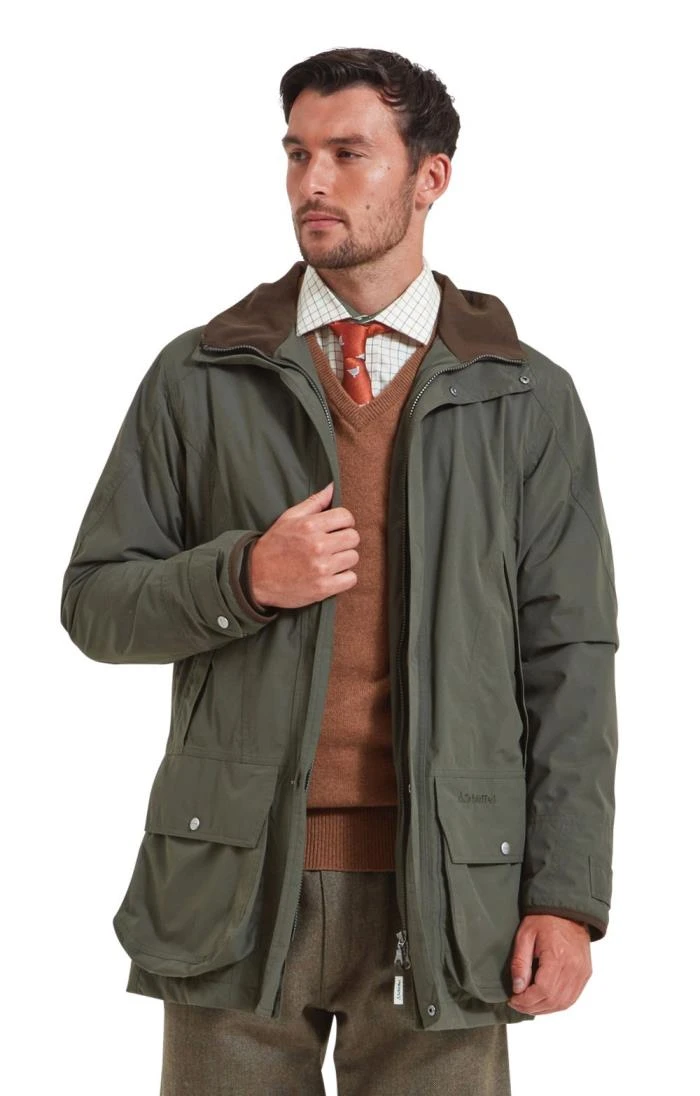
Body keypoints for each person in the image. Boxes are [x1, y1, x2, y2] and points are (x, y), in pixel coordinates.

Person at [60, 47, 619, 1096]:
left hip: (448, 892)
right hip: (233, 884)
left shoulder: (524, 397)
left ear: (430, 177)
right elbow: (94, 603)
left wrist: (567, 894)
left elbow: (571, 660)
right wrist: (242, 578)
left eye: (348, 154)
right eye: (296, 154)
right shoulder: (200, 375)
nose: (312, 182)